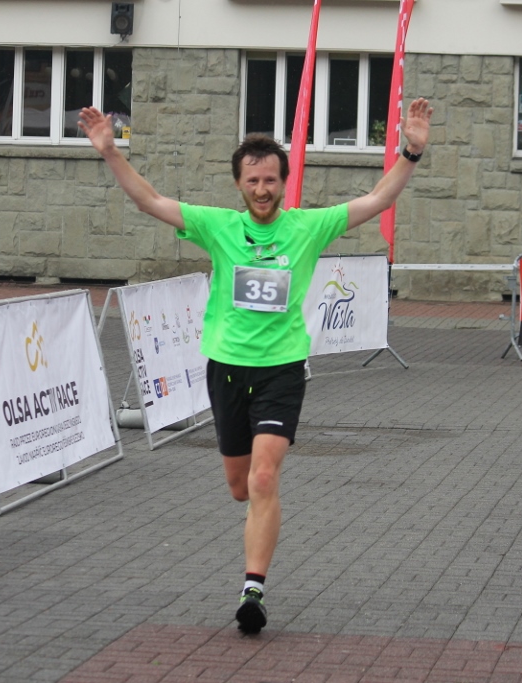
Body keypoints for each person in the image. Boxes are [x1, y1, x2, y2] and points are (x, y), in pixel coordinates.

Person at [79, 98, 433, 634]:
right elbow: (149, 200)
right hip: (226, 368)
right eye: (253, 181)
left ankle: (253, 590)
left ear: (284, 183)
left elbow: (378, 198)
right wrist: (110, 151)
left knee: (265, 476)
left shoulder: (308, 227)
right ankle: (254, 526)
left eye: (270, 180)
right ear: (239, 185)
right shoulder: (218, 226)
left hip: (281, 370)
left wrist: (411, 151)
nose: (262, 189)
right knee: (240, 486)